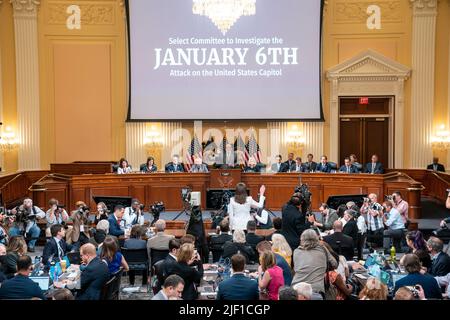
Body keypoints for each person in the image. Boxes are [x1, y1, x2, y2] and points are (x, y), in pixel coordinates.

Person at [292, 229, 338, 296]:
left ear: (301, 239)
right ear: (317, 239)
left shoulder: (296, 251)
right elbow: (335, 264)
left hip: (296, 289)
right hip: (315, 290)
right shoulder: (322, 249)